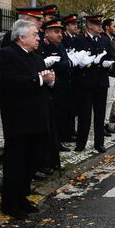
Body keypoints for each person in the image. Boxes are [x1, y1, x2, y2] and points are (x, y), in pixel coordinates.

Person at [0, 20, 54, 218]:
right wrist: (40, 80)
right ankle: (10, 203)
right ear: (21, 37)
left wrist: (50, 81)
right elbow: (10, 83)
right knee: (16, 163)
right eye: (35, 35)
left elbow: (44, 83)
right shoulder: (7, 55)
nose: (39, 38)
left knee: (30, 162)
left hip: (38, 117)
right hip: (19, 119)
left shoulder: (36, 57)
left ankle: (23, 197)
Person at [72, 14, 114, 153]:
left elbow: (110, 56)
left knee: (99, 114)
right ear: (89, 25)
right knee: (84, 115)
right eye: (97, 24)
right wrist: (88, 63)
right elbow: (75, 61)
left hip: (101, 81)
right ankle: (81, 143)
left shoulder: (104, 41)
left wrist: (107, 63)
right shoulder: (79, 40)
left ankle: (99, 143)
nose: (100, 27)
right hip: (85, 82)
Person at [40, 17, 74, 150]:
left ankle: (57, 142)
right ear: (47, 33)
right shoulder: (44, 46)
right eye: (56, 31)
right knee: (50, 118)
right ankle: (51, 145)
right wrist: (65, 64)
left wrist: (67, 64)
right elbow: (59, 65)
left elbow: (66, 62)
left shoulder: (59, 45)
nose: (60, 34)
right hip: (49, 88)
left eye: (60, 31)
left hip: (62, 85)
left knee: (60, 116)